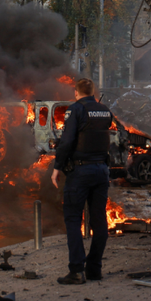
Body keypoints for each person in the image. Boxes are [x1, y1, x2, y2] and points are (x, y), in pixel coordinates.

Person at [51, 78, 113, 285]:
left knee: (73, 219)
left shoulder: (76, 109)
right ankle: (94, 269)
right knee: (99, 221)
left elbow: (67, 141)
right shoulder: (105, 110)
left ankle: (77, 270)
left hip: (80, 171)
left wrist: (57, 167)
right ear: (93, 92)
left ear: (76, 93)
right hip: (101, 170)